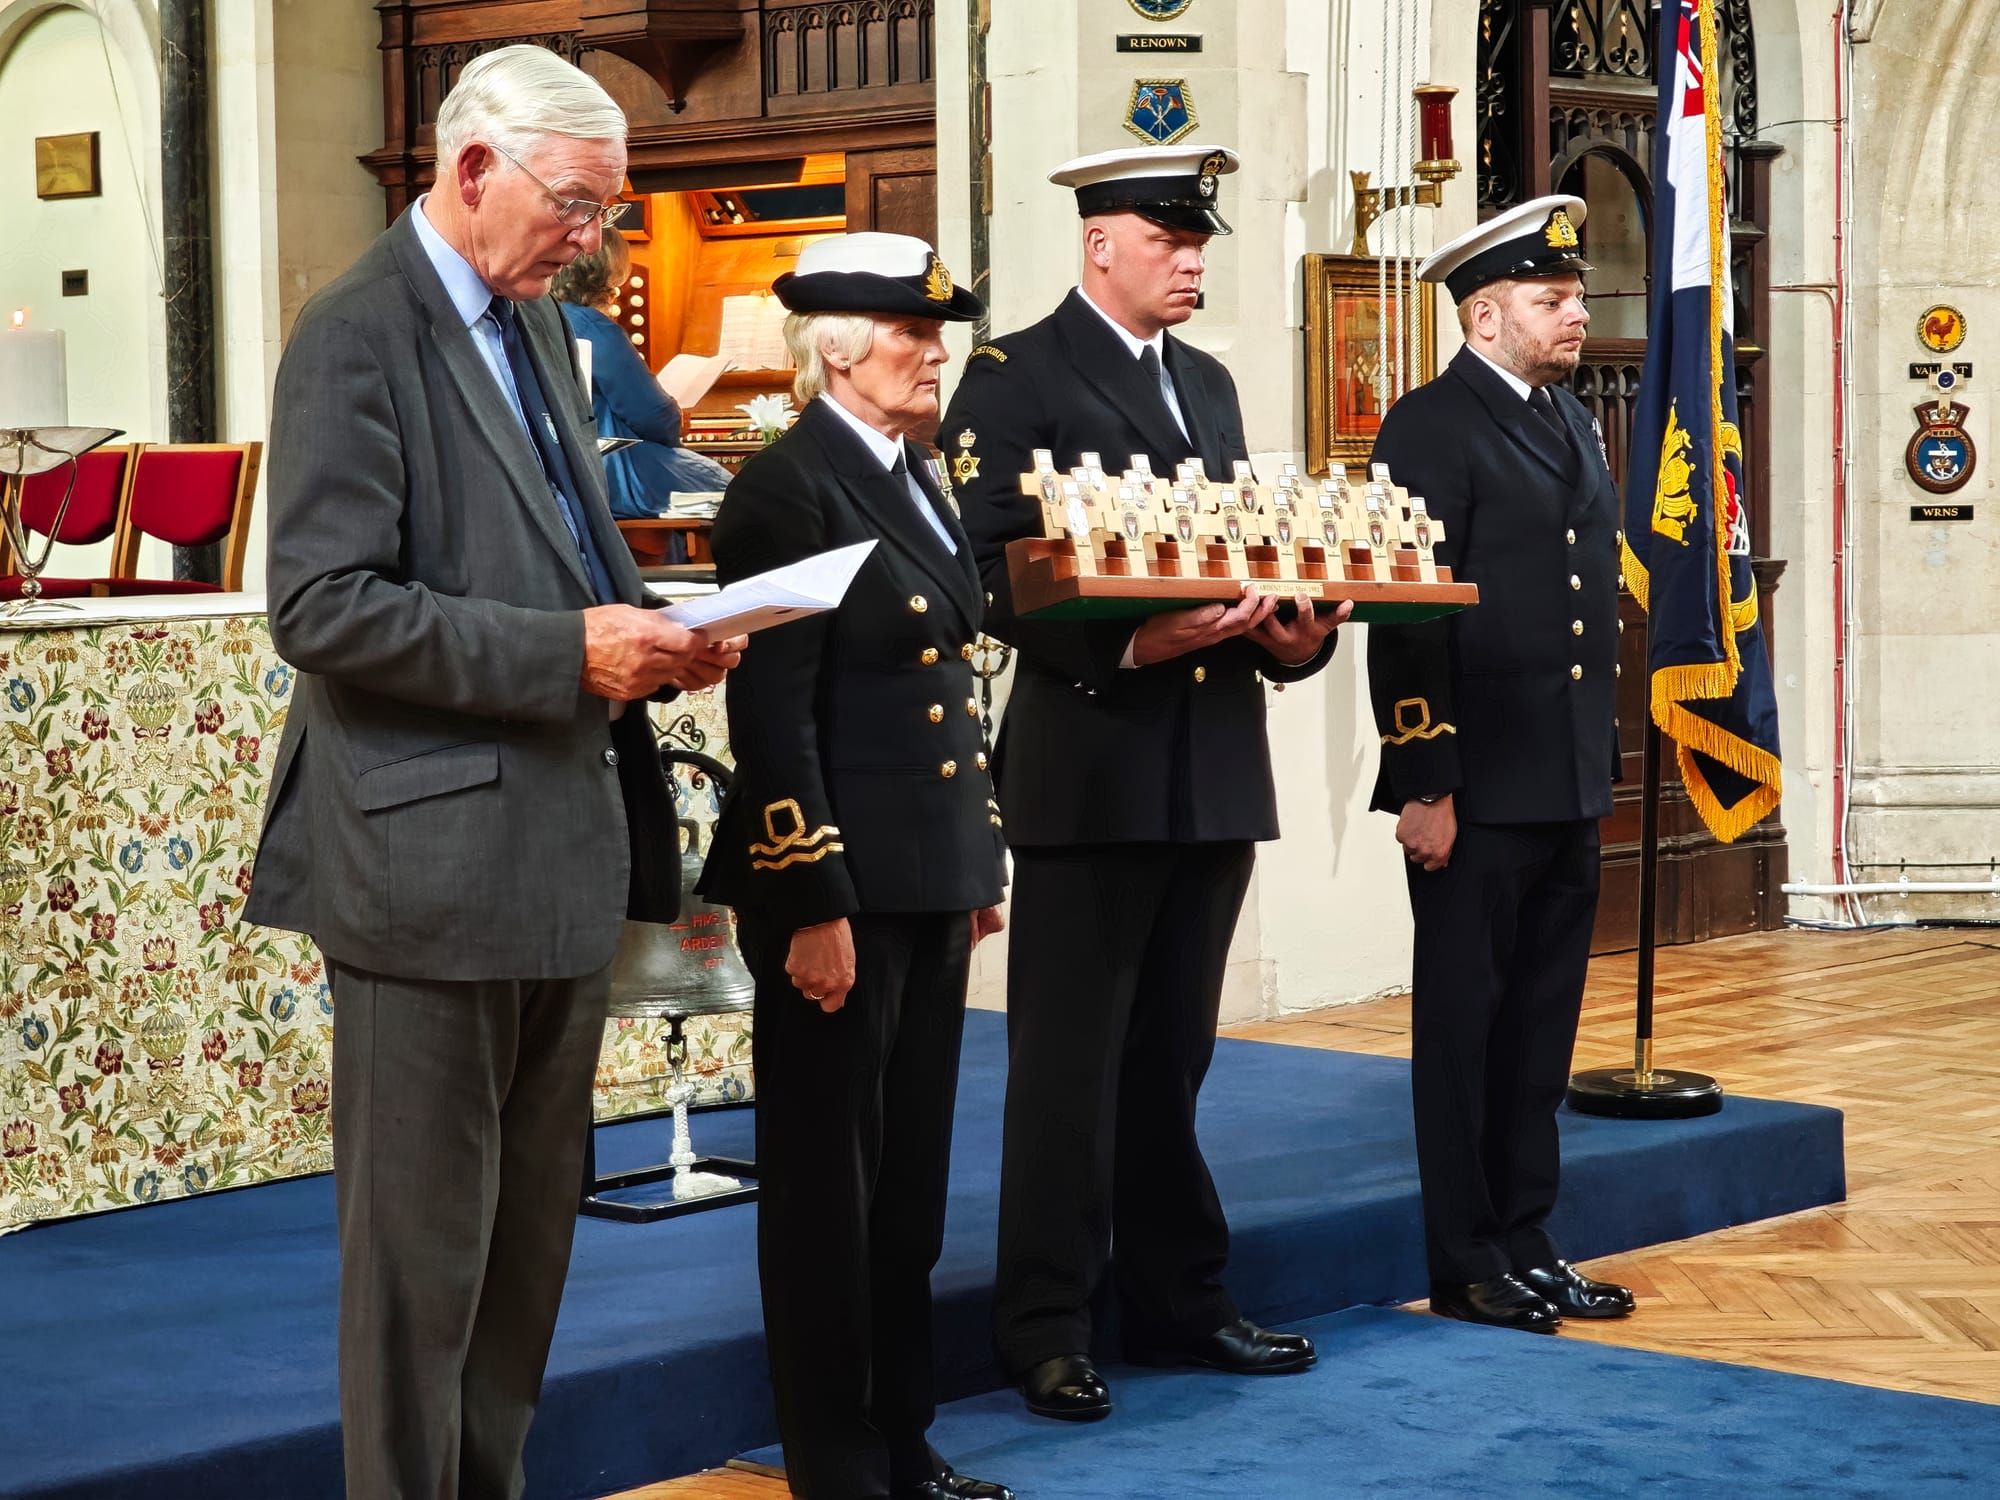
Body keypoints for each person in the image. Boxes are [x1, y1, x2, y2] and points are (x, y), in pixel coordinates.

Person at [243, 45, 743, 1497]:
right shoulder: (356, 332)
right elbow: (322, 609)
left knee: (524, 1271)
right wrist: (566, 658)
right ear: (475, 171)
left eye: (608, 210)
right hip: (423, 870)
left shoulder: (529, 325)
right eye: (579, 207)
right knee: (418, 1283)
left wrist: (665, 633)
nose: (594, 242)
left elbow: (563, 558)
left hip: (559, 857)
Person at [938, 144, 1347, 1422]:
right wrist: (1122, 639)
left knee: (1171, 1058)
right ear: (1097, 242)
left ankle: (1178, 1299)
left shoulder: (1210, 384)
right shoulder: (1014, 374)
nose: (1190, 259)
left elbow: (1247, 548)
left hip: (1208, 759)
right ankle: (1046, 1321)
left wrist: (1298, 639)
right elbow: (984, 563)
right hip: (1091, 755)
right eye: (1167, 239)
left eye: (1198, 242)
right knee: (1069, 1065)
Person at [696, 233, 1013, 1500]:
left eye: (936, 333)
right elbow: (777, 717)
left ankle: (902, 1437)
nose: (933, 353)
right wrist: (813, 899)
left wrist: (974, 859)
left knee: (910, 1192)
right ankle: (836, 1461)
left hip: (927, 879)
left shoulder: (916, 473)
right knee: (831, 1195)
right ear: (833, 346)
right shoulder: (786, 487)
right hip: (837, 889)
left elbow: (947, 686)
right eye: (906, 333)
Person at [1365, 194, 1636, 1335]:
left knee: (1538, 1030)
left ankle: (1527, 1236)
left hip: (1562, 775)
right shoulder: (1429, 425)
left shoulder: (1565, 419)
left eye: (1573, 296)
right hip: (1474, 786)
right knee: (1466, 1031)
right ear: (1484, 314)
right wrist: (1424, 779)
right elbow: (1405, 617)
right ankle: (1466, 1255)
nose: (1575, 313)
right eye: (1550, 298)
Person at [551, 228, 733, 532]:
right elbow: (652, 414)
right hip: (612, 471)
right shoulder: (596, 328)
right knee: (727, 487)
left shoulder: (542, 316)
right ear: (608, 272)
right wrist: (676, 420)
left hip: (567, 467)